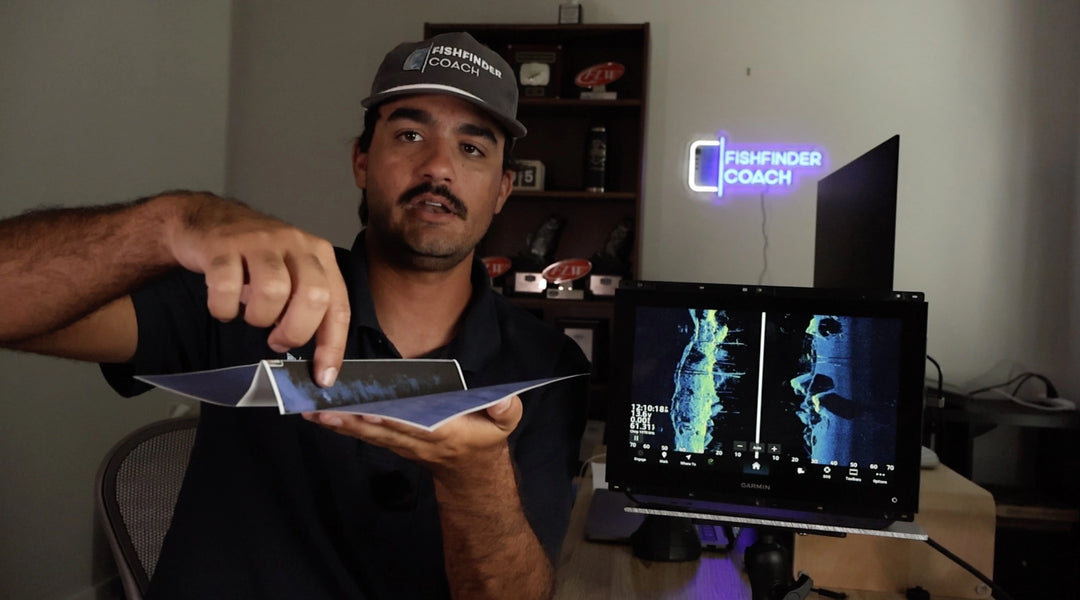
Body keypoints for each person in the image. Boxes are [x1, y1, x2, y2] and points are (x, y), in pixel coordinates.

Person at [0, 31, 589, 600]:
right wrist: (170, 223)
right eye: (410, 134)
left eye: (471, 148)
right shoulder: (251, 291)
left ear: (503, 189)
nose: (438, 167)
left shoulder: (546, 366)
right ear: (362, 162)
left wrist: (477, 480)